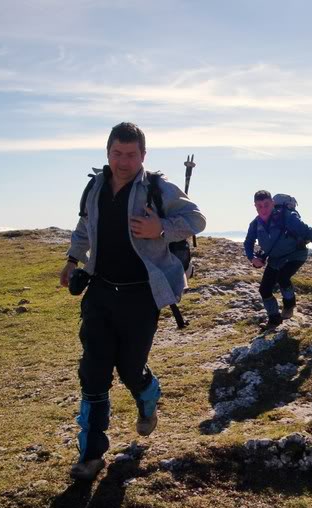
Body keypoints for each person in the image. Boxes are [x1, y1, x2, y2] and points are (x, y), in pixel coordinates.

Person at [60, 122, 206, 480]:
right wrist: (72, 259)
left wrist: (161, 229)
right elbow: (84, 227)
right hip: (101, 292)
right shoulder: (95, 187)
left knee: (129, 369)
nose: (123, 161)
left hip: (142, 294)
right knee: (93, 373)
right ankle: (91, 456)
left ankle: (147, 395)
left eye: (131, 154)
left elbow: (197, 220)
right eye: (116, 154)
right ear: (107, 152)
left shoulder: (157, 187)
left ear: (143, 155)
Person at [243, 190, 312, 327]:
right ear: (255, 206)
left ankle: (289, 305)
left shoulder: (287, 217)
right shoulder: (255, 224)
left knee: (282, 277)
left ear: (272, 203)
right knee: (264, 290)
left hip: (295, 255)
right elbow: (248, 243)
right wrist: (252, 257)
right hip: (275, 259)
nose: (263, 209)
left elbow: (310, 232)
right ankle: (274, 319)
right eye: (259, 206)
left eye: (266, 204)